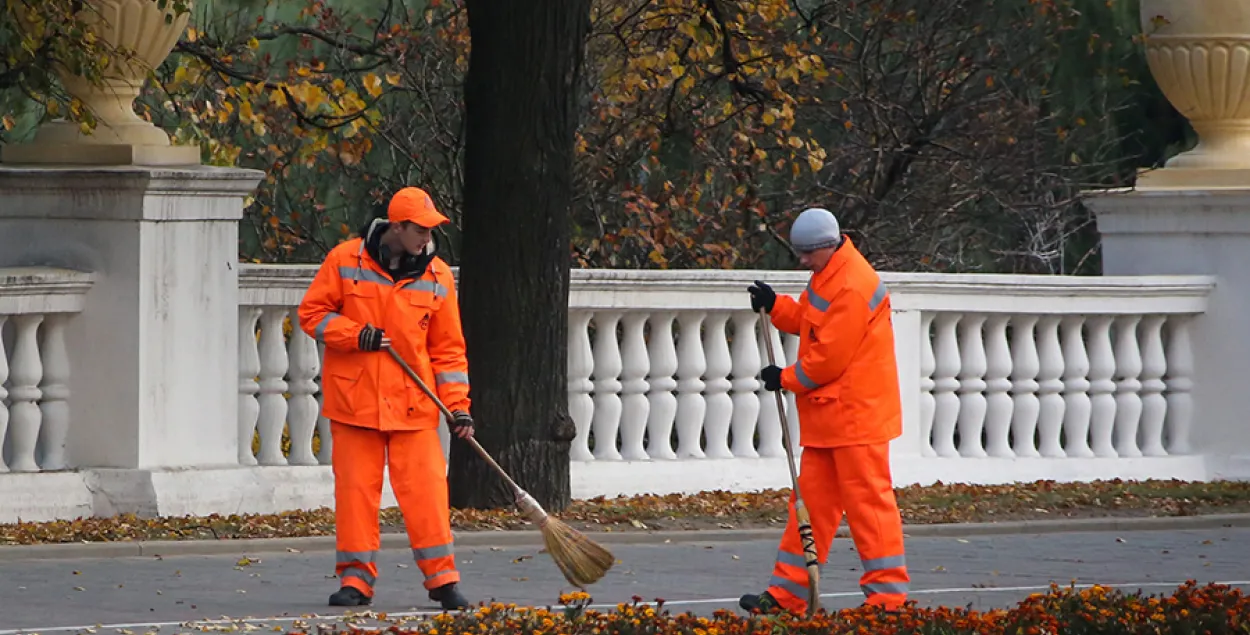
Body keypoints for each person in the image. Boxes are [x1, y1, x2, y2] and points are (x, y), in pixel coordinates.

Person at [298, 186, 475, 611]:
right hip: (355, 406)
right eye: (420, 229)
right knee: (356, 496)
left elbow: (448, 351)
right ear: (396, 226)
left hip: (414, 407)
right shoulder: (345, 260)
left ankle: (443, 580)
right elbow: (312, 315)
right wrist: (355, 335)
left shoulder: (438, 277)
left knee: (429, 497)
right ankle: (356, 582)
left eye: (432, 230)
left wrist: (458, 406)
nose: (427, 238)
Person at [739, 207, 911, 615]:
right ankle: (786, 596)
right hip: (832, 418)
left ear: (827, 246)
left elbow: (828, 360)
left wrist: (785, 378)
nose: (801, 261)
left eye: (805, 254)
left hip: (857, 419)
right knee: (809, 508)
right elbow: (809, 321)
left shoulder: (852, 284)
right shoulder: (828, 273)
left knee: (869, 508)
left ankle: (888, 601)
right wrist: (776, 306)